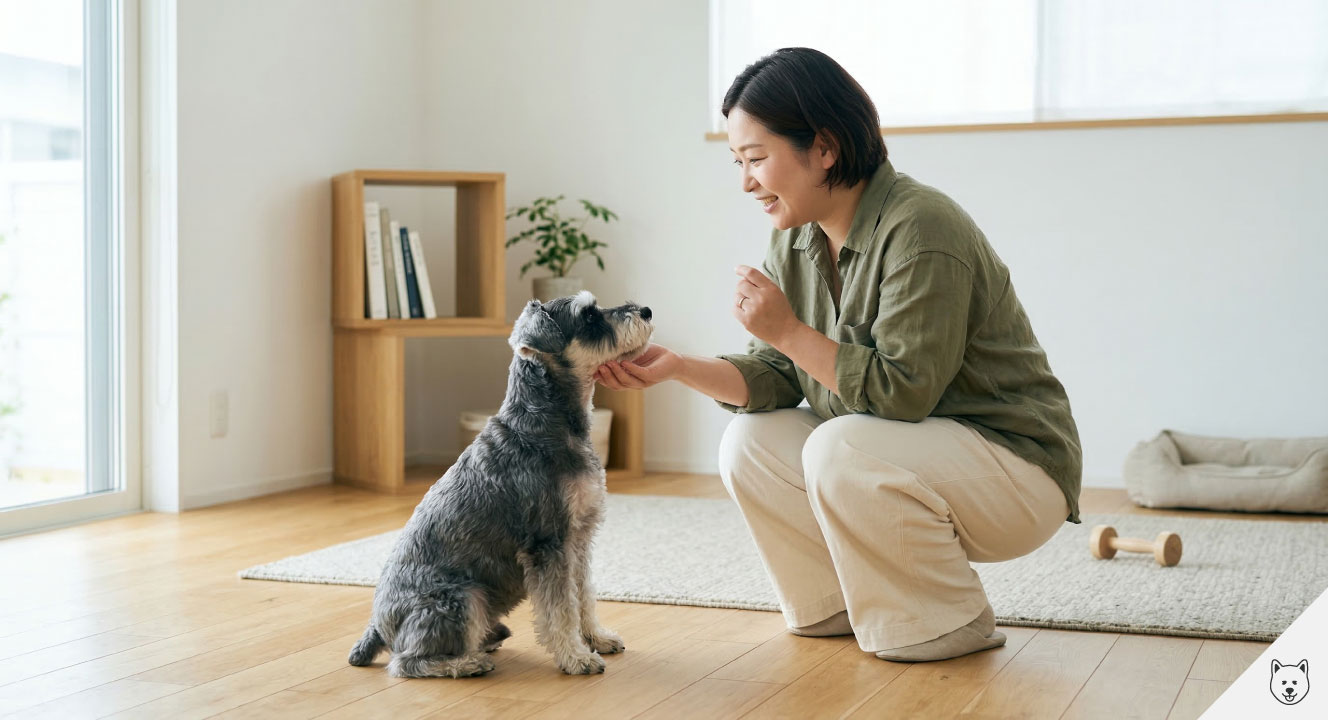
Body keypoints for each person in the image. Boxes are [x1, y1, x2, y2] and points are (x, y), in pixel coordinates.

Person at [593, 47, 1082, 663]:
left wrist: (789, 330)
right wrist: (679, 367)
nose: (745, 182)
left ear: (823, 148)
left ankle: (943, 622)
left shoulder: (923, 226)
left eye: (756, 159)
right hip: (924, 457)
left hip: (1016, 472)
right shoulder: (798, 240)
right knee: (750, 442)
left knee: (839, 443)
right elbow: (776, 375)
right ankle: (832, 604)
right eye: (738, 162)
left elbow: (902, 394)